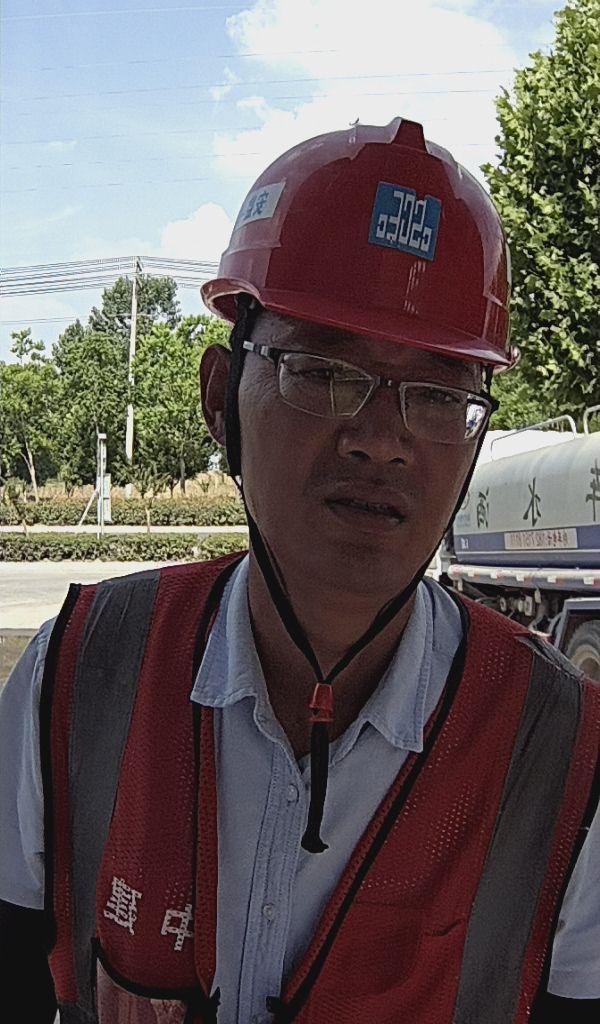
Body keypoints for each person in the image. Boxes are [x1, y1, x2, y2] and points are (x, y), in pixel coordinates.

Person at [0, 117, 598, 1024]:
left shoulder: (563, 754)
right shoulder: (80, 677)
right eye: (322, 372)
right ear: (219, 399)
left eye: (440, 393)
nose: (382, 440)